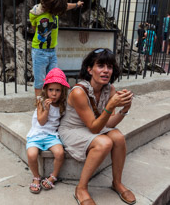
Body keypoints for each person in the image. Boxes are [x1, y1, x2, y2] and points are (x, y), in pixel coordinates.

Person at [58, 48, 136, 205]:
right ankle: (81, 188)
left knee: (118, 137)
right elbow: (94, 128)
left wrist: (125, 108)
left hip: (94, 126)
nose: (106, 71)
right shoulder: (79, 92)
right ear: (89, 69)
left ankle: (117, 183)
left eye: (109, 66)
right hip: (73, 129)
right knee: (104, 143)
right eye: (100, 66)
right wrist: (110, 107)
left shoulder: (109, 89)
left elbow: (109, 123)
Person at [26, 68, 70, 194]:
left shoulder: (62, 104)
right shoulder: (41, 102)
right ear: (46, 90)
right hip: (37, 133)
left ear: (62, 92)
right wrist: (47, 109)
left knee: (60, 153)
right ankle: (36, 177)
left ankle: (53, 176)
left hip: (51, 135)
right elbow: (41, 121)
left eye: (58, 90)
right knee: (32, 154)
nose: (54, 94)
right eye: (51, 90)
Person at [29, 0, 84, 97]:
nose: (58, 13)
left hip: (52, 51)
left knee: (54, 79)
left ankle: (52, 104)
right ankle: (39, 107)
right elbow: (34, 27)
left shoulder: (56, 7)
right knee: (40, 82)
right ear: (51, 7)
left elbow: (66, 6)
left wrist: (77, 4)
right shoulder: (35, 13)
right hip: (39, 52)